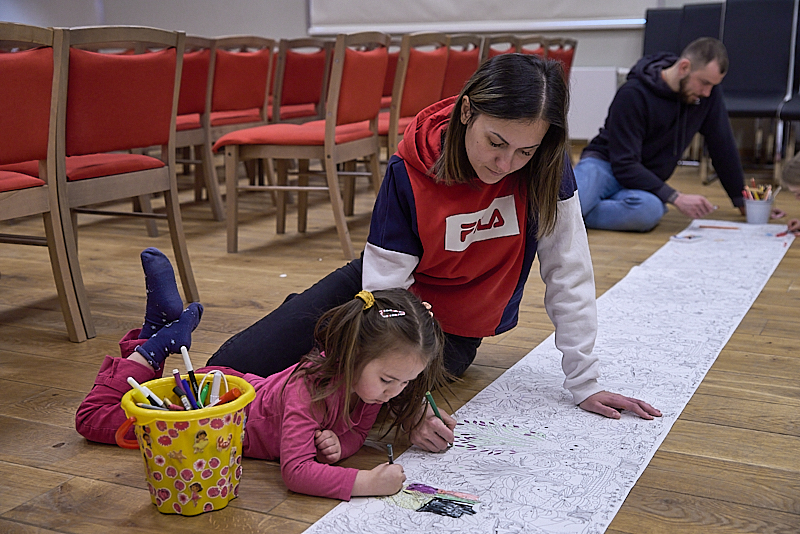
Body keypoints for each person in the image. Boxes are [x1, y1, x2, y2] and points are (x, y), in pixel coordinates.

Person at [206, 53, 662, 453]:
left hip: (448, 330)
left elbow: (569, 271)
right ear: (466, 112)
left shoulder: (546, 166)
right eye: (496, 143)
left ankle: (327, 346)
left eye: (524, 150)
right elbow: (385, 284)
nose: (505, 165)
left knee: (350, 394)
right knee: (229, 371)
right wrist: (405, 401)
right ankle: (321, 331)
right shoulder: (410, 167)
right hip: (385, 296)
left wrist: (584, 382)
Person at [75, 248, 449, 501]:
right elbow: (297, 473)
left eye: (406, 382)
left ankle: (157, 330)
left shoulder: (371, 389)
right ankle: (151, 347)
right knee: (94, 418)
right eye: (388, 380)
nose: (394, 392)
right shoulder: (308, 389)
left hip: (239, 393)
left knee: (140, 398)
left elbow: (355, 433)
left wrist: (340, 445)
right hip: (206, 407)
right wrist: (365, 481)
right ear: (353, 355)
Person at [574, 37, 746, 232]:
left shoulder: (707, 97)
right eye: (704, 83)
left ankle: (580, 214)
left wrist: (741, 199)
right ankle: (579, 210)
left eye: (713, 86)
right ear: (684, 67)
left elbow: (722, 145)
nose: (707, 92)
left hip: (642, 181)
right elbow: (624, 163)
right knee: (567, 204)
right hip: (605, 165)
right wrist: (675, 197)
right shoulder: (633, 94)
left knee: (648, 212)